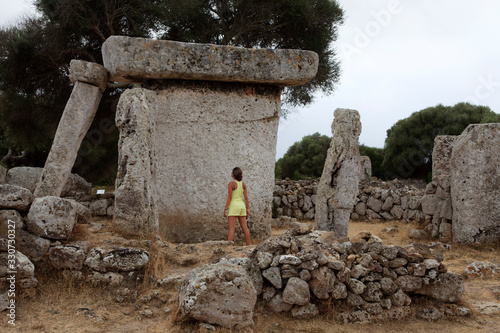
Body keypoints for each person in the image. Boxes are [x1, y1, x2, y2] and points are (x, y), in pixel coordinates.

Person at [224, 167, 251, 245]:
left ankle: (229, 247)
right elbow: (246, 198)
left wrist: (225, 209)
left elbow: (229, 197)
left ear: (233, 174)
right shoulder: (243, 184)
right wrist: (247, 209)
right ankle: (248, 245)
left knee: (232, 229)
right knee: (245, 228)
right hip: (242, 206)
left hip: (234, 206)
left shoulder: (231, 184)